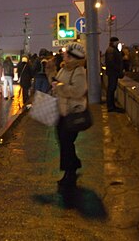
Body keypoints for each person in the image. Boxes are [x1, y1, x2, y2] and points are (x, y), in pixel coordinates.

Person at [52, 43, 87, 187]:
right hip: (61, 111)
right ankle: (74, 164)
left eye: (66, 53)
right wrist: (50, 74)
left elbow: (78, 91)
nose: (63, 54)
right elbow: (56, 83)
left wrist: (60, 87)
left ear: (73, 56)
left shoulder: (78, 71)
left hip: (72, 112)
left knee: (66, 142)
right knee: (63, 141)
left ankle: (69, 173)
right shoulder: (64, 68)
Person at [104, 36, 125, 113]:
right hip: (113, 73)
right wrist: (119, 70)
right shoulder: (111, 50)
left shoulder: (112, 50)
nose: (118, 43)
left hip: (113, 73)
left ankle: (112, 106)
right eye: (117, 42)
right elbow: (111, 63)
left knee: (112, 89)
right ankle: (110, 107)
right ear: (113, 42)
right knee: (111, 89)